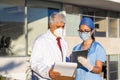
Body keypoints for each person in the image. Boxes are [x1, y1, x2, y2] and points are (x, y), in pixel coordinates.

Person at [30, 11, 68, 80]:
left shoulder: (63, 42)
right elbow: (35, 63)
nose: (61, 29)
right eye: (58, 26)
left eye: (63, 27)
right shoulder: (40, 40)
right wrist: (48, 72)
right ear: (51, 25)